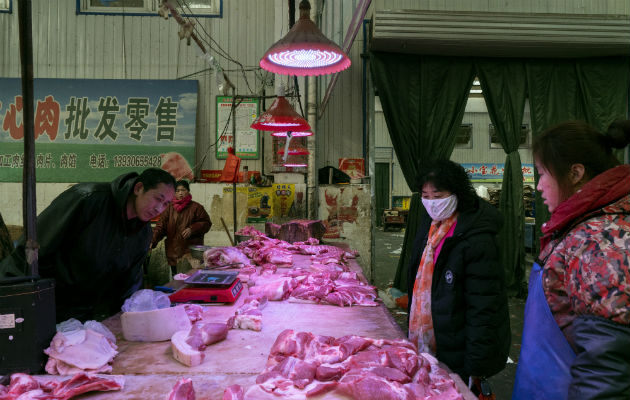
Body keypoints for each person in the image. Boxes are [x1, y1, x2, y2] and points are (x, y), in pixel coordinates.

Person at [513, 120, 630, 400]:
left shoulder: (602, 240)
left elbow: (606, 374)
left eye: (542, 174)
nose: (538, 186)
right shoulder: (582, 226)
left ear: (576, 173)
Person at [0, 168, 176, 322]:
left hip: (79, 313)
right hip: (30, 297)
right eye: (157, 198)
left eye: (166, 204)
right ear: (139, 188)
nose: (159, 209)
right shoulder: (88, 198)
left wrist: (130, 318)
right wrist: (31, 294)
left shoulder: (142, 233)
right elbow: (33, 245)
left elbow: (128, 283)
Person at [407, 159, 510, 391]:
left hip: (460, 349)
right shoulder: (430, 225)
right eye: (426, 196)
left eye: (438, 195)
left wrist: (476, 366)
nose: (432, 203)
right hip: (435, 338)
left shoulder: (477, 238)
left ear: (457, 193)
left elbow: (484, 306)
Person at [151, 180, 211, 275]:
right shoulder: (168, 208)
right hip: (173, 251)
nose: (180, 193)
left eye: (183, 190)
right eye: (177, 191)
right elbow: (160, 227)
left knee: (191, 279)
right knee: (177, 280)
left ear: (188, 191)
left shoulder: (196, 207)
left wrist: (192, 229)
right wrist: (152, 240)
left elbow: (206, 223)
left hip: (191, 254)